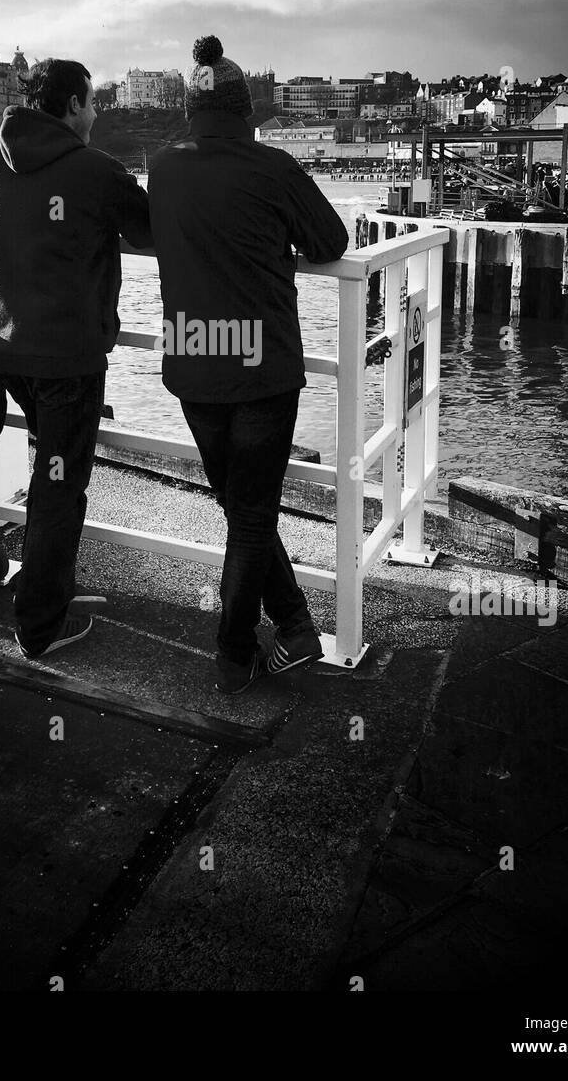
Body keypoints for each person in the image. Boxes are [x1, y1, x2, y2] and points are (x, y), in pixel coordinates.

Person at [147, 35, 349, 694]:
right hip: (261, 368)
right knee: (252, 513)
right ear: (248, 110)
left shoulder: (163, 167)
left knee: (241, 507)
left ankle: (293, 624)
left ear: (188, 110)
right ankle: (235, 653)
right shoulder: (273, 168)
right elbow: (330, 241)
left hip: (195, 364)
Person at [0, 58, 152, 660]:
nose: (97, 114)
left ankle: (40, 588)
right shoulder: (95, 171)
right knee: (58, 487)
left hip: (2, 349)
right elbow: (150, 231)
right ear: (74, 104)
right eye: (93, 103)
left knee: (45, 468)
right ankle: (39, 626)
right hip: (65, 360)